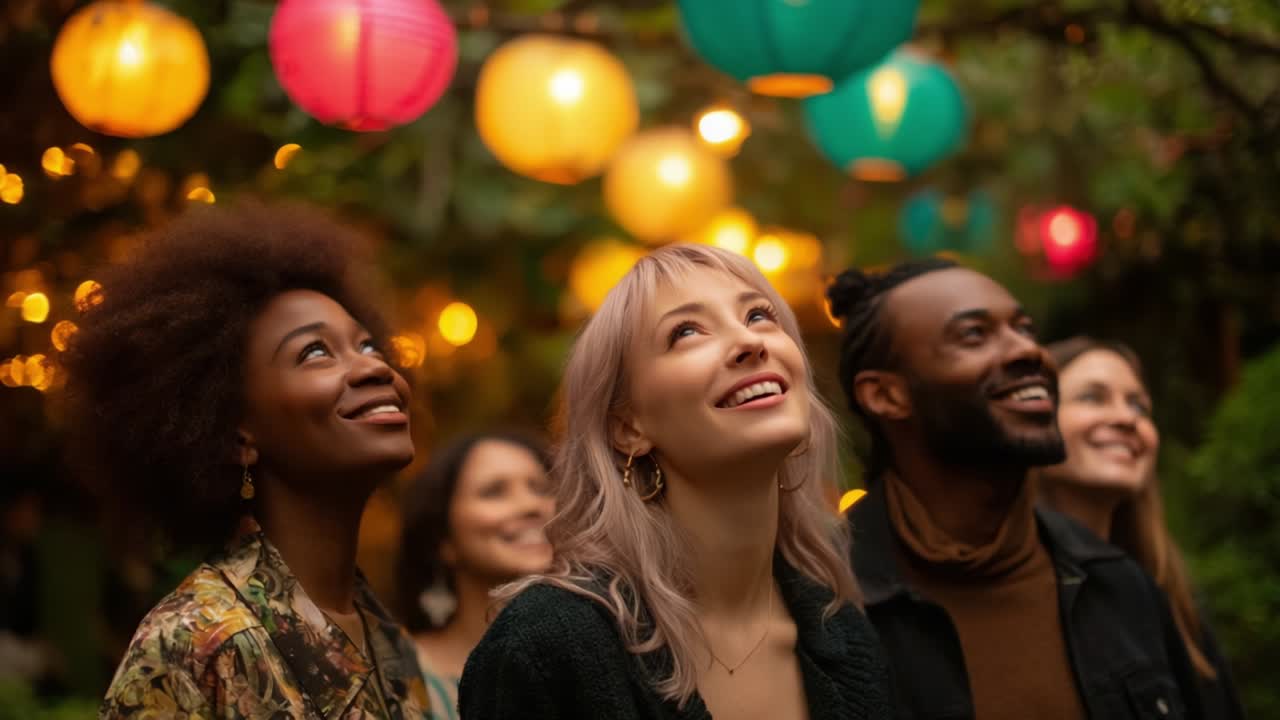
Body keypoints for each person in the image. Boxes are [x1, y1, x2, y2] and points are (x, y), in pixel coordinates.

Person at [459, 244, 891, 720]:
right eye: (686, 332)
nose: (750, 341)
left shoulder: (847, 636)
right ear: (628, 427)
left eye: (758, 315)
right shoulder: (545, 648)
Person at [63, 202, 431, 718]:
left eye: (368, 346)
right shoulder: (195, 642)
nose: (375, 369)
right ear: (238, 436)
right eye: (314, 352)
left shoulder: (389, 640)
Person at [828, 259, 1204, 720]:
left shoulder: (1117, 584)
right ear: (886, 395)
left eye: (1025, 329)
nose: (1028, 350)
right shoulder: (824, 602)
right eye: (974, 335)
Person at [1037, 337, 1245, 719]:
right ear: (1031, 422)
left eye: (1139, 406)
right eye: (1092, 397)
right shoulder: (1009, 593)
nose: (1127, 418)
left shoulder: (1173, 597)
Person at [396, 432, 555, 720]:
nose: (531, 505)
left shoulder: (606, 651)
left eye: (542, 489)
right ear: (442, 538)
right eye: (494, 492)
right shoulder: (397, 675)